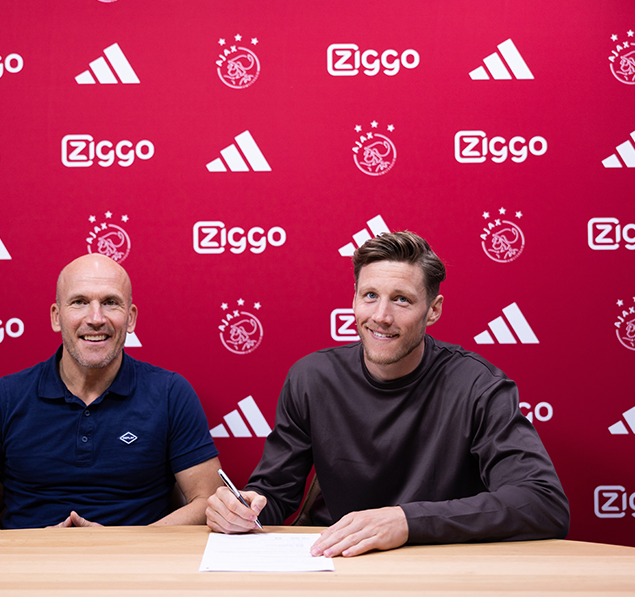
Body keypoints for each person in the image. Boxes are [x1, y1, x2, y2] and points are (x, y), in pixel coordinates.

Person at [206, 231, 569, 557]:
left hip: (438, 567)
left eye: (401, 300)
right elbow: (274, 493)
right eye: (370, 296)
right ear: (354, 299)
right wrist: (242, 509)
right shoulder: (312, 378)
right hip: (336, 562)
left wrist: (407, 521)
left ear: (433, 310)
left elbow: (543, 502)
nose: (381, 316)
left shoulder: (478, 385)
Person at [0, 254, 222, 531]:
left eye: (110, 303)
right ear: (57, 316)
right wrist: (19, 546)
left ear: (131, 318)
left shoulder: (171, 394)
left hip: (134, 564)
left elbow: (210, 503)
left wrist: (124, 543)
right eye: (79, 302)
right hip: (25, 564)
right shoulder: (5, 397)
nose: (95, 318)